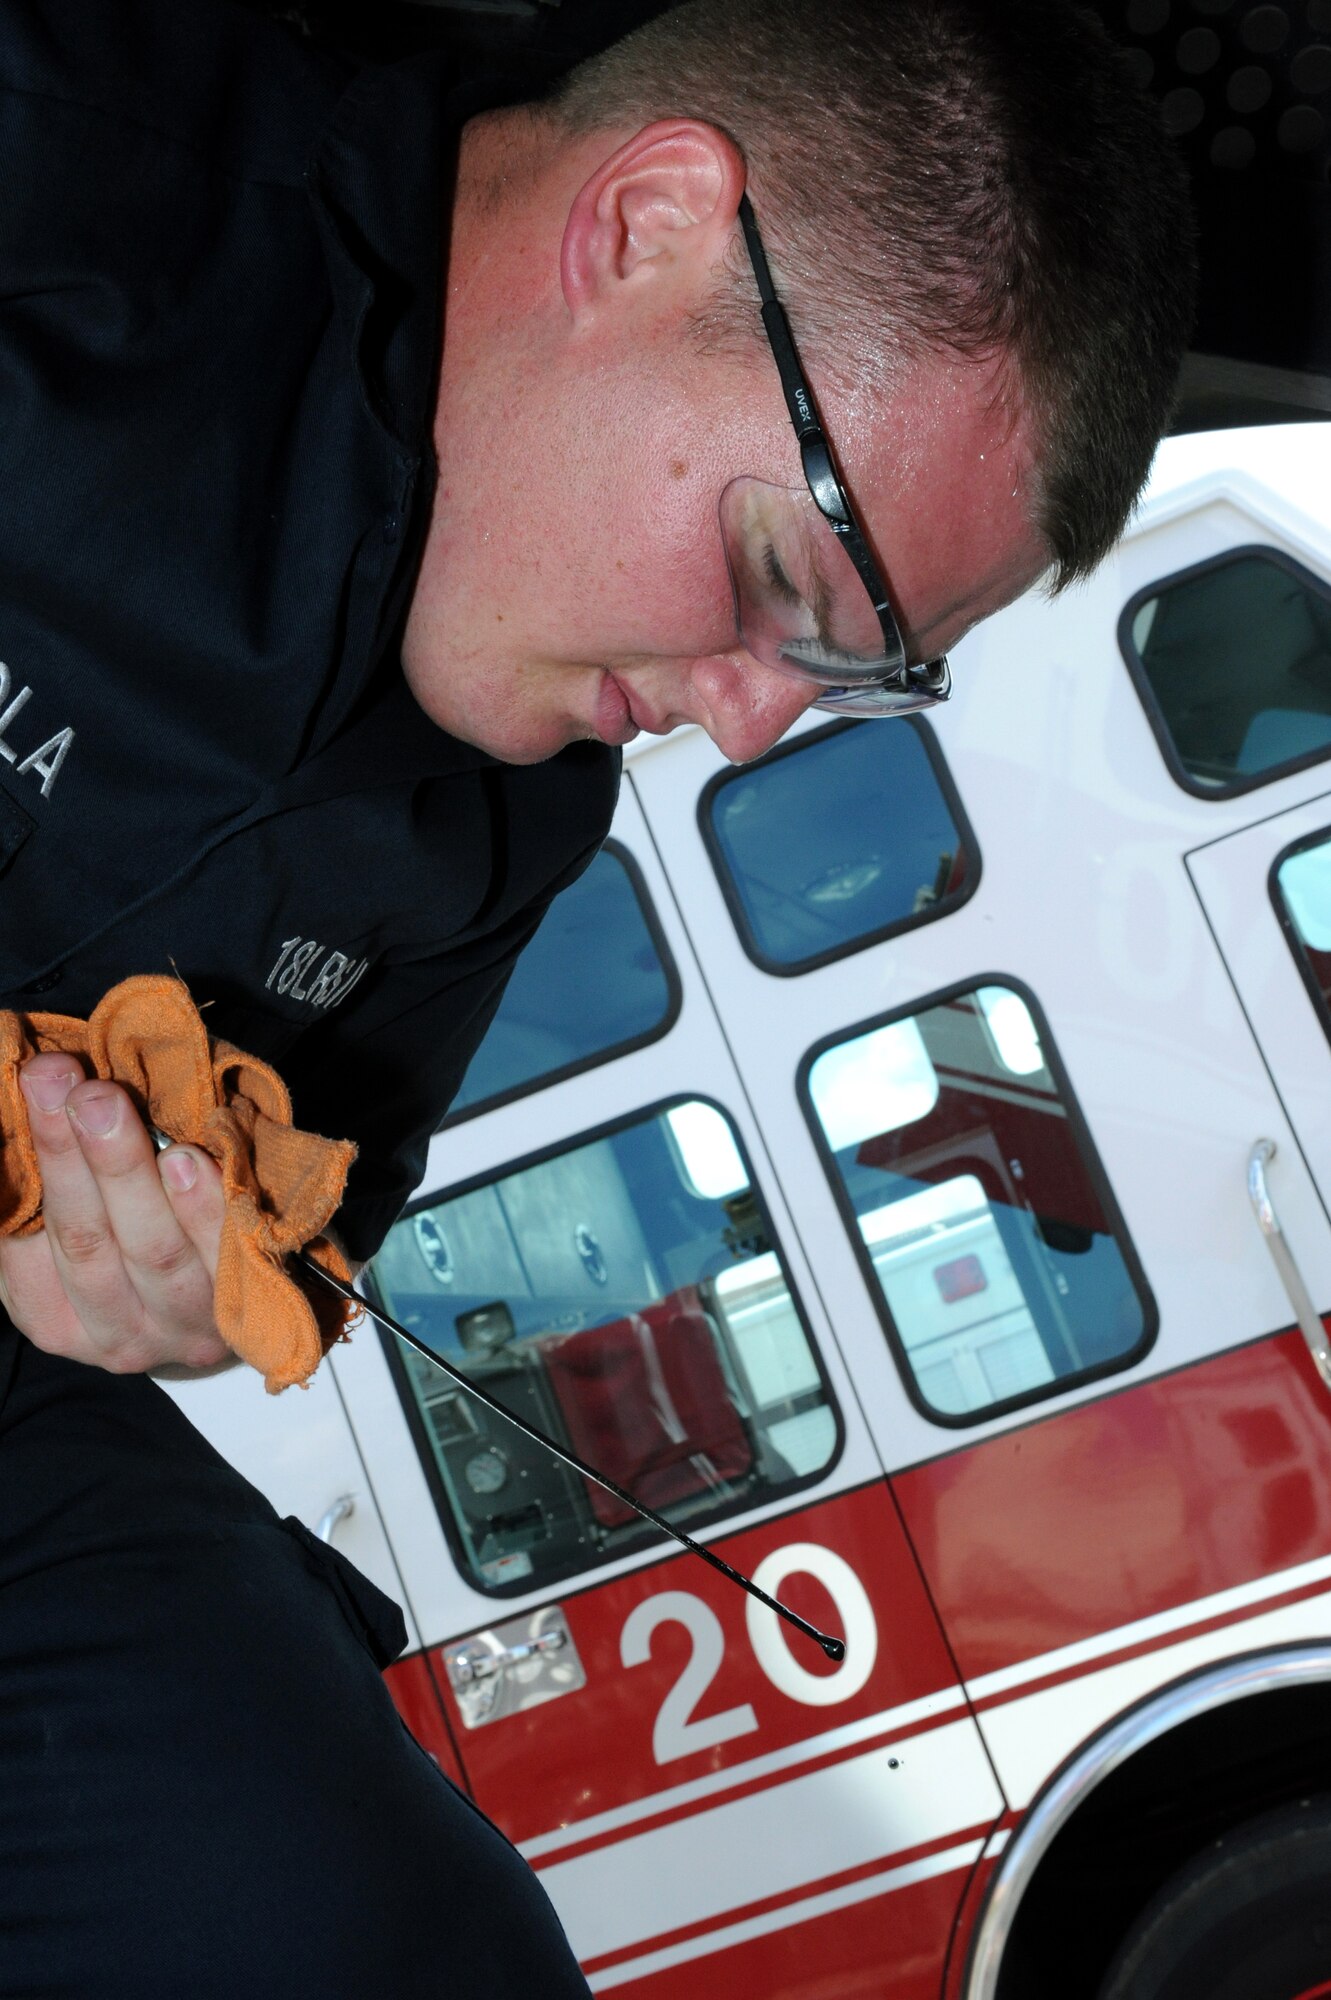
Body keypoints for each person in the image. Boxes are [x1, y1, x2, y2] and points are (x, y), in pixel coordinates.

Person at [0, 0, 1195, 1993]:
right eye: (779, 585)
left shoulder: (513, 811)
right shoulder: (72, 161)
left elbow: (295, 1241)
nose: (740, 729)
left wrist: (139, 1300)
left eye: (842, 678)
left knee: (386, 1940)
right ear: (646, 226)